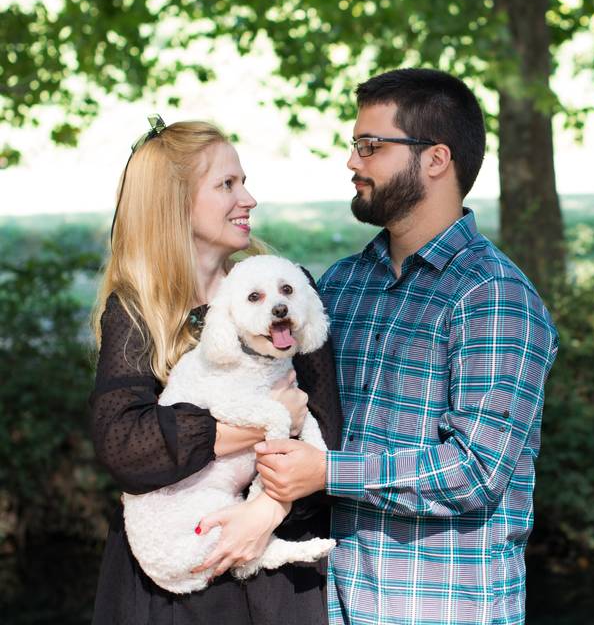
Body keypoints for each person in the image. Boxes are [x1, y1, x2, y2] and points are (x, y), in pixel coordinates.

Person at [253, 68, 560, 624]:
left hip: (440, 608)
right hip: (333, 600)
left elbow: (475, 472)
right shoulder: (342, 285)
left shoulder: (494, 297)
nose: (353, 162)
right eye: (354, 145)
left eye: (371, 147)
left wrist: (327, 472)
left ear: (436, 159)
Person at [89, 117, 342, 624]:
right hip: (170, 586)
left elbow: (325, 433)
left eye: (243, 181)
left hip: (272, 572)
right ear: (174, 202)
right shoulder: (140, 310)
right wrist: (260, 421)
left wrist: (261, 515)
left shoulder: (281, 287)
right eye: (227, 184)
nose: (248, 198)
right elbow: (125, 446)